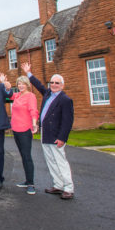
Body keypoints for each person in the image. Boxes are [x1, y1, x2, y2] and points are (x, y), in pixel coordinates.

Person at [21, 62, 75, 200]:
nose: (54, 85)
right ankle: (58, 185)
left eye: (57, 83)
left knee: (60, 161)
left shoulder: (65, 100)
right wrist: (28, 73)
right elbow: (38, 85)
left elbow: (67, 121)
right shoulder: (47, 94)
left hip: (57, 135)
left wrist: (62, 138)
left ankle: (68, 188)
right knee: (50, 160)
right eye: (52, 82)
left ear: (62, 85)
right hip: (46, 133)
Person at [8, 75, 39, 195]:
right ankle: (27, 180)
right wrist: (5, 84)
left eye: (23, 83)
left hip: (25, 130)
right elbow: (8, 96)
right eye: (19, 84)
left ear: (27, 85)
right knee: (22, 155)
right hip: (15, 129)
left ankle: (31, 184)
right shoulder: (17, 95)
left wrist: (34, 124)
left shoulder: (30, 96)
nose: (20, 86)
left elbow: (33, 110)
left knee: (27, 156)